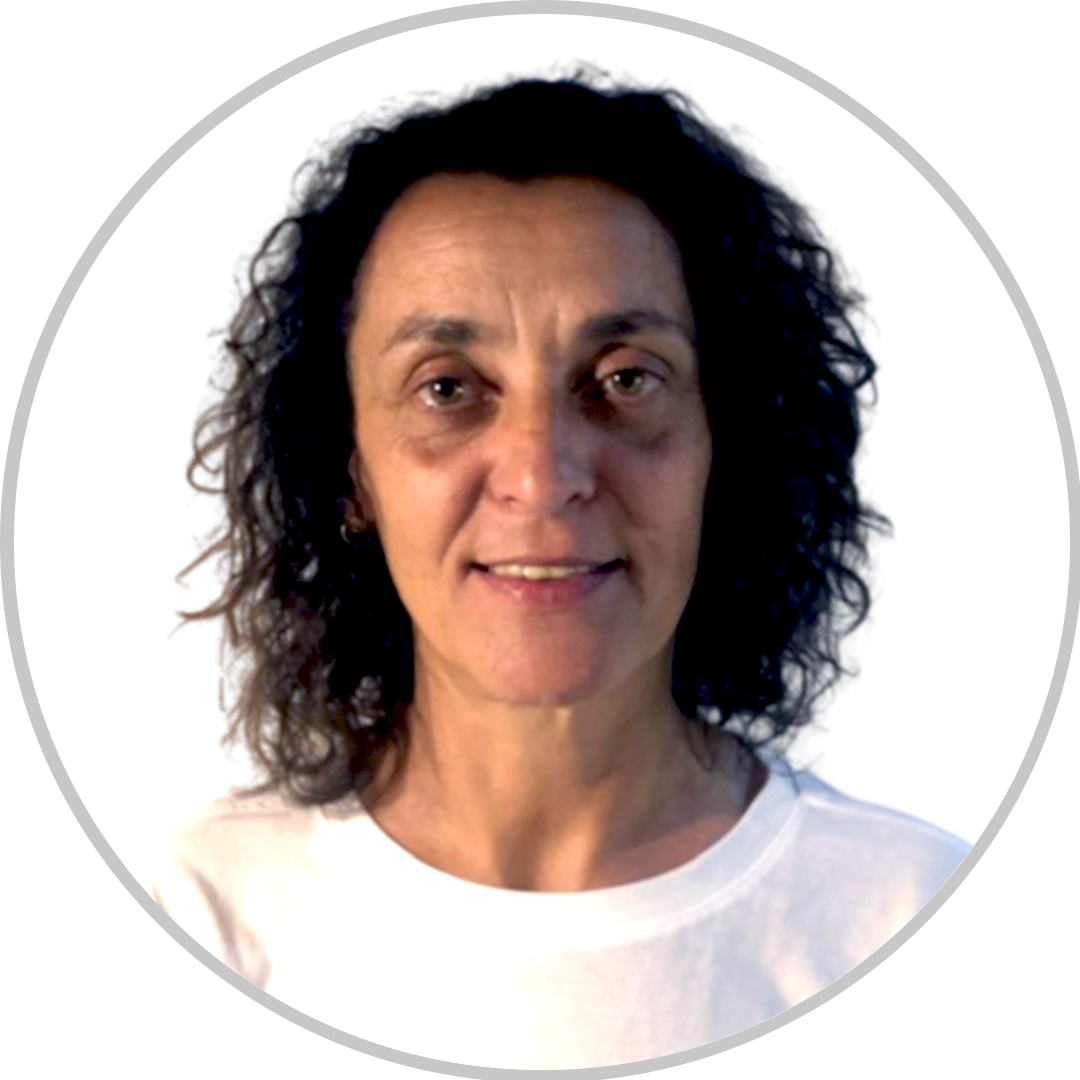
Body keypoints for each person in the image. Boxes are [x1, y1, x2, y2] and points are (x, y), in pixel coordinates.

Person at [152, 72, 970, 1069]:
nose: (543, 476)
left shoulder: (926, 925)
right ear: (349, 472)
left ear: (726, 444)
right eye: (447, 389)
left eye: (626, 379)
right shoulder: (198, 917)